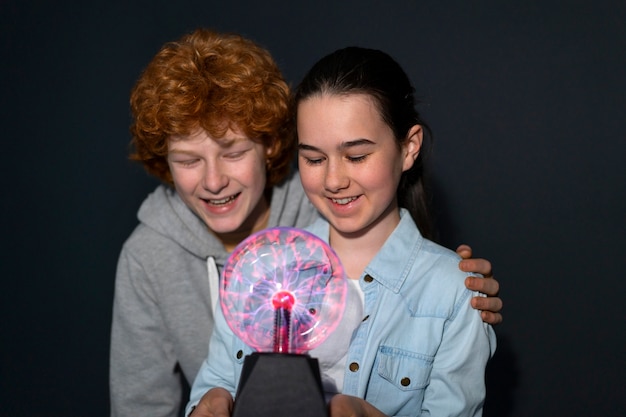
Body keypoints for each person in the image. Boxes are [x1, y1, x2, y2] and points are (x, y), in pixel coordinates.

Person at [110, 29, 501, 417]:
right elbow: (202, 385)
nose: (333, 179)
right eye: (313, 159)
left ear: (409, 147)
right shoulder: (264, 270)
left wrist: (453, 279)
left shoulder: (454, 290)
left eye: (357, 156)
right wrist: (211, 400)